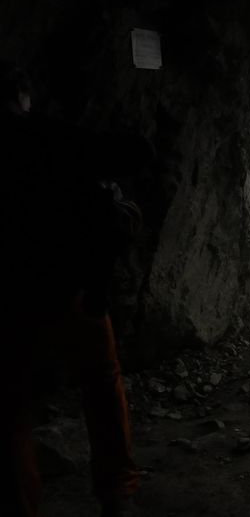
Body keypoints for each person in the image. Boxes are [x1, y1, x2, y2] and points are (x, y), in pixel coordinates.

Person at [0, 60, 147, 517]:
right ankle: (117, 494)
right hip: (73, 293)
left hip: (9, 302)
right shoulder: (52, 137)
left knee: (11, 409)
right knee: (102, 384)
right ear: (23, 94)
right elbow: (133, 155)